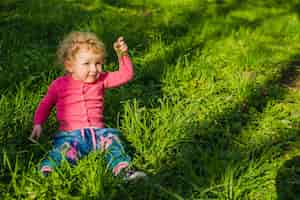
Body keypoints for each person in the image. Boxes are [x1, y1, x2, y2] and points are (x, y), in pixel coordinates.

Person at [29, 31, 146, 181]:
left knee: (114, 146)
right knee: (62, 151)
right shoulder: (59, 84)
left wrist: (122, 55)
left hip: (99, 134)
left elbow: (126, 75)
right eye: (87, 64)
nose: (94, 69)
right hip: (71, 136)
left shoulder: (102, 79)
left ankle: (124, 170)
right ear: (70, 65)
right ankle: (48, 171)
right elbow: (46, 104)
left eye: (98, 63)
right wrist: (38, 123)